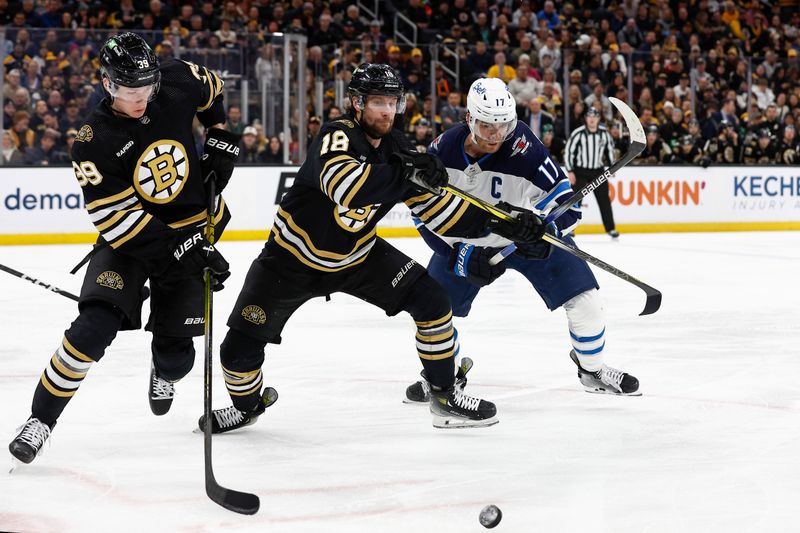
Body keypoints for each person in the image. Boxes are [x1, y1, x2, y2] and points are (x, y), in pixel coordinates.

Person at [198, 64, 543, 434]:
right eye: (378, 102)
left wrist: (501, 224)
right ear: (356, 103)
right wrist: (405, 170)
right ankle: (247, 407)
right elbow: (347, 187)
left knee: (432, 301)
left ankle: (444, 397)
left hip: (359, 257)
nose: (386, 111)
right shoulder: (337, 135)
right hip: (289, 262)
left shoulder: (396, 148)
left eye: (392, 102)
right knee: (237, 353)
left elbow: (437, 210)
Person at [8, 33, 241, 465]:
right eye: (129, 90)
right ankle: (40, 420)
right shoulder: (92, 140)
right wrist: (190, 249)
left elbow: (213, 91)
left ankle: (163, 366)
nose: (140, 98)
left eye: (146, 88)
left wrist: (220, 133)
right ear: (108, 84)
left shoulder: (176, 79)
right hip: (131, 242)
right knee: (92, 328)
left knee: (176, 362)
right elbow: (122, 224)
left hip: (190, 223)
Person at [404, 78, 639, 405]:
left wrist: (546, 233)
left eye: (503, 126)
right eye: (487, 126)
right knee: (431, 309)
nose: (496, 136)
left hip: (523, 236)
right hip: (466, 243)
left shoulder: (523, 146)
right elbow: (421, 215)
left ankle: (593, 371)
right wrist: (456, 254)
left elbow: (566, 205)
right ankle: (443, 377)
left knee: (588, 303)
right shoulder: (441, 151)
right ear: (469, 119)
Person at [564, 107, 620, 238]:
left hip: (598, 171)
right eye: (589, 116)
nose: (592, 119)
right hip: (580, 171)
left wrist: (613, 167)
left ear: (599, 119)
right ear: (586, 118)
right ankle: (570, 228)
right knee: (575, 200)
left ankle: (610, 228)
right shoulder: (578, 133)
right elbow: (569, 152)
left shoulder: (604, 133)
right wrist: (570, 171)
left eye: (595, 117)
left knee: (604, 200)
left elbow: (609, 150)